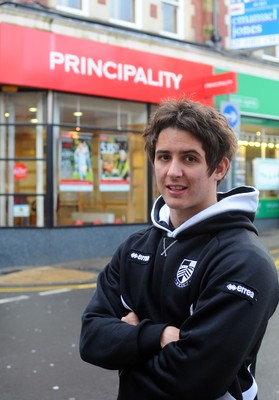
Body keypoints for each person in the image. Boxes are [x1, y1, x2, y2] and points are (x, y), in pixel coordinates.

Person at [79, 97, 279, 400]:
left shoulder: (244, 261)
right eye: (163, 157)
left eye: (189, 158)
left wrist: (129, 341)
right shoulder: (135, 247)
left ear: (220, 167)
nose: (173, 171)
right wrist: (157, 335)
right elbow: (91, 339)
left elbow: (193, 380)